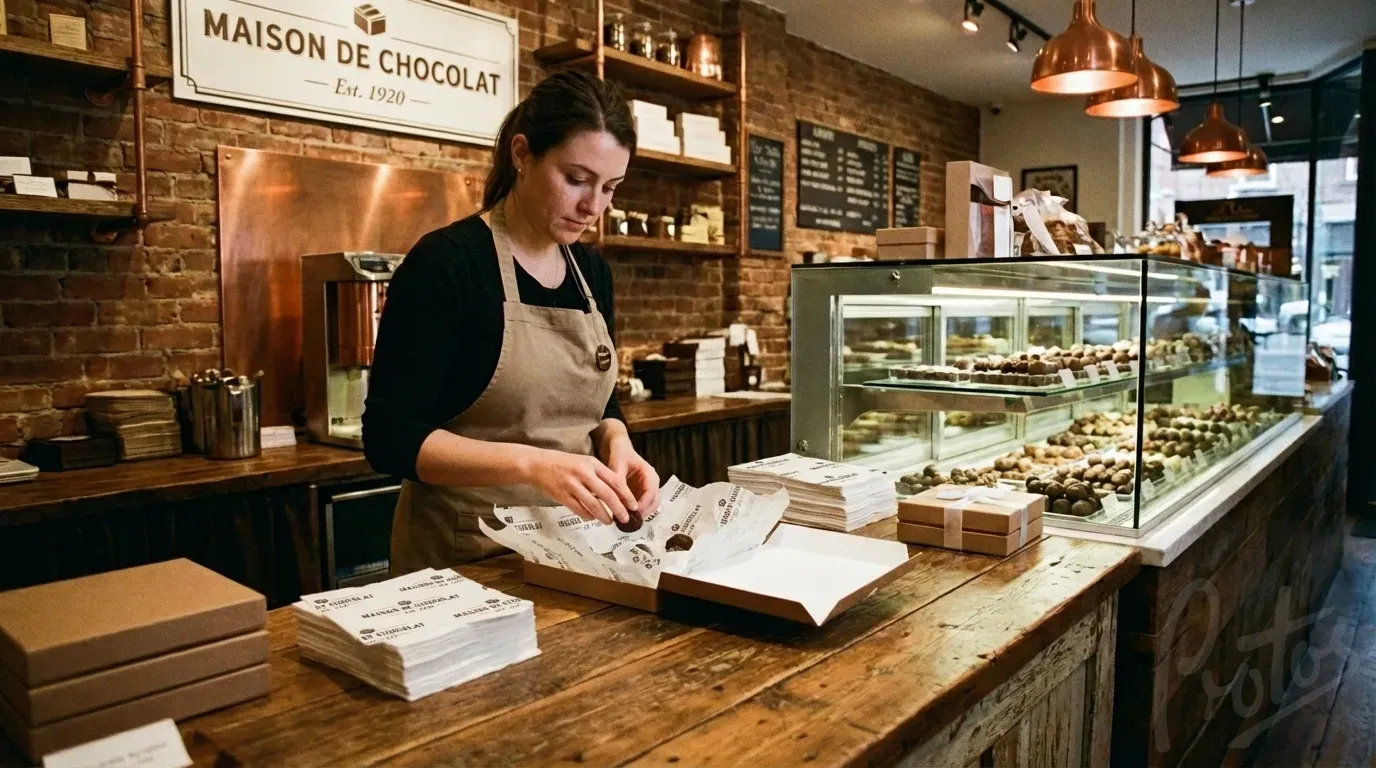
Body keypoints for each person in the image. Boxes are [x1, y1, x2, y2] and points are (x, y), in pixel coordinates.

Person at [363, 71, 661, 572]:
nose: (594, 207)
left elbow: (597, 398)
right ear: (522, 154)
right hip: (466, 556)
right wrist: (534, 464)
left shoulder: (591, 272)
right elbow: (390, 437)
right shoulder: (449, 263)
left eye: (611, 187)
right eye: (576, 179)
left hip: (572, 548)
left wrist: (618, 442)